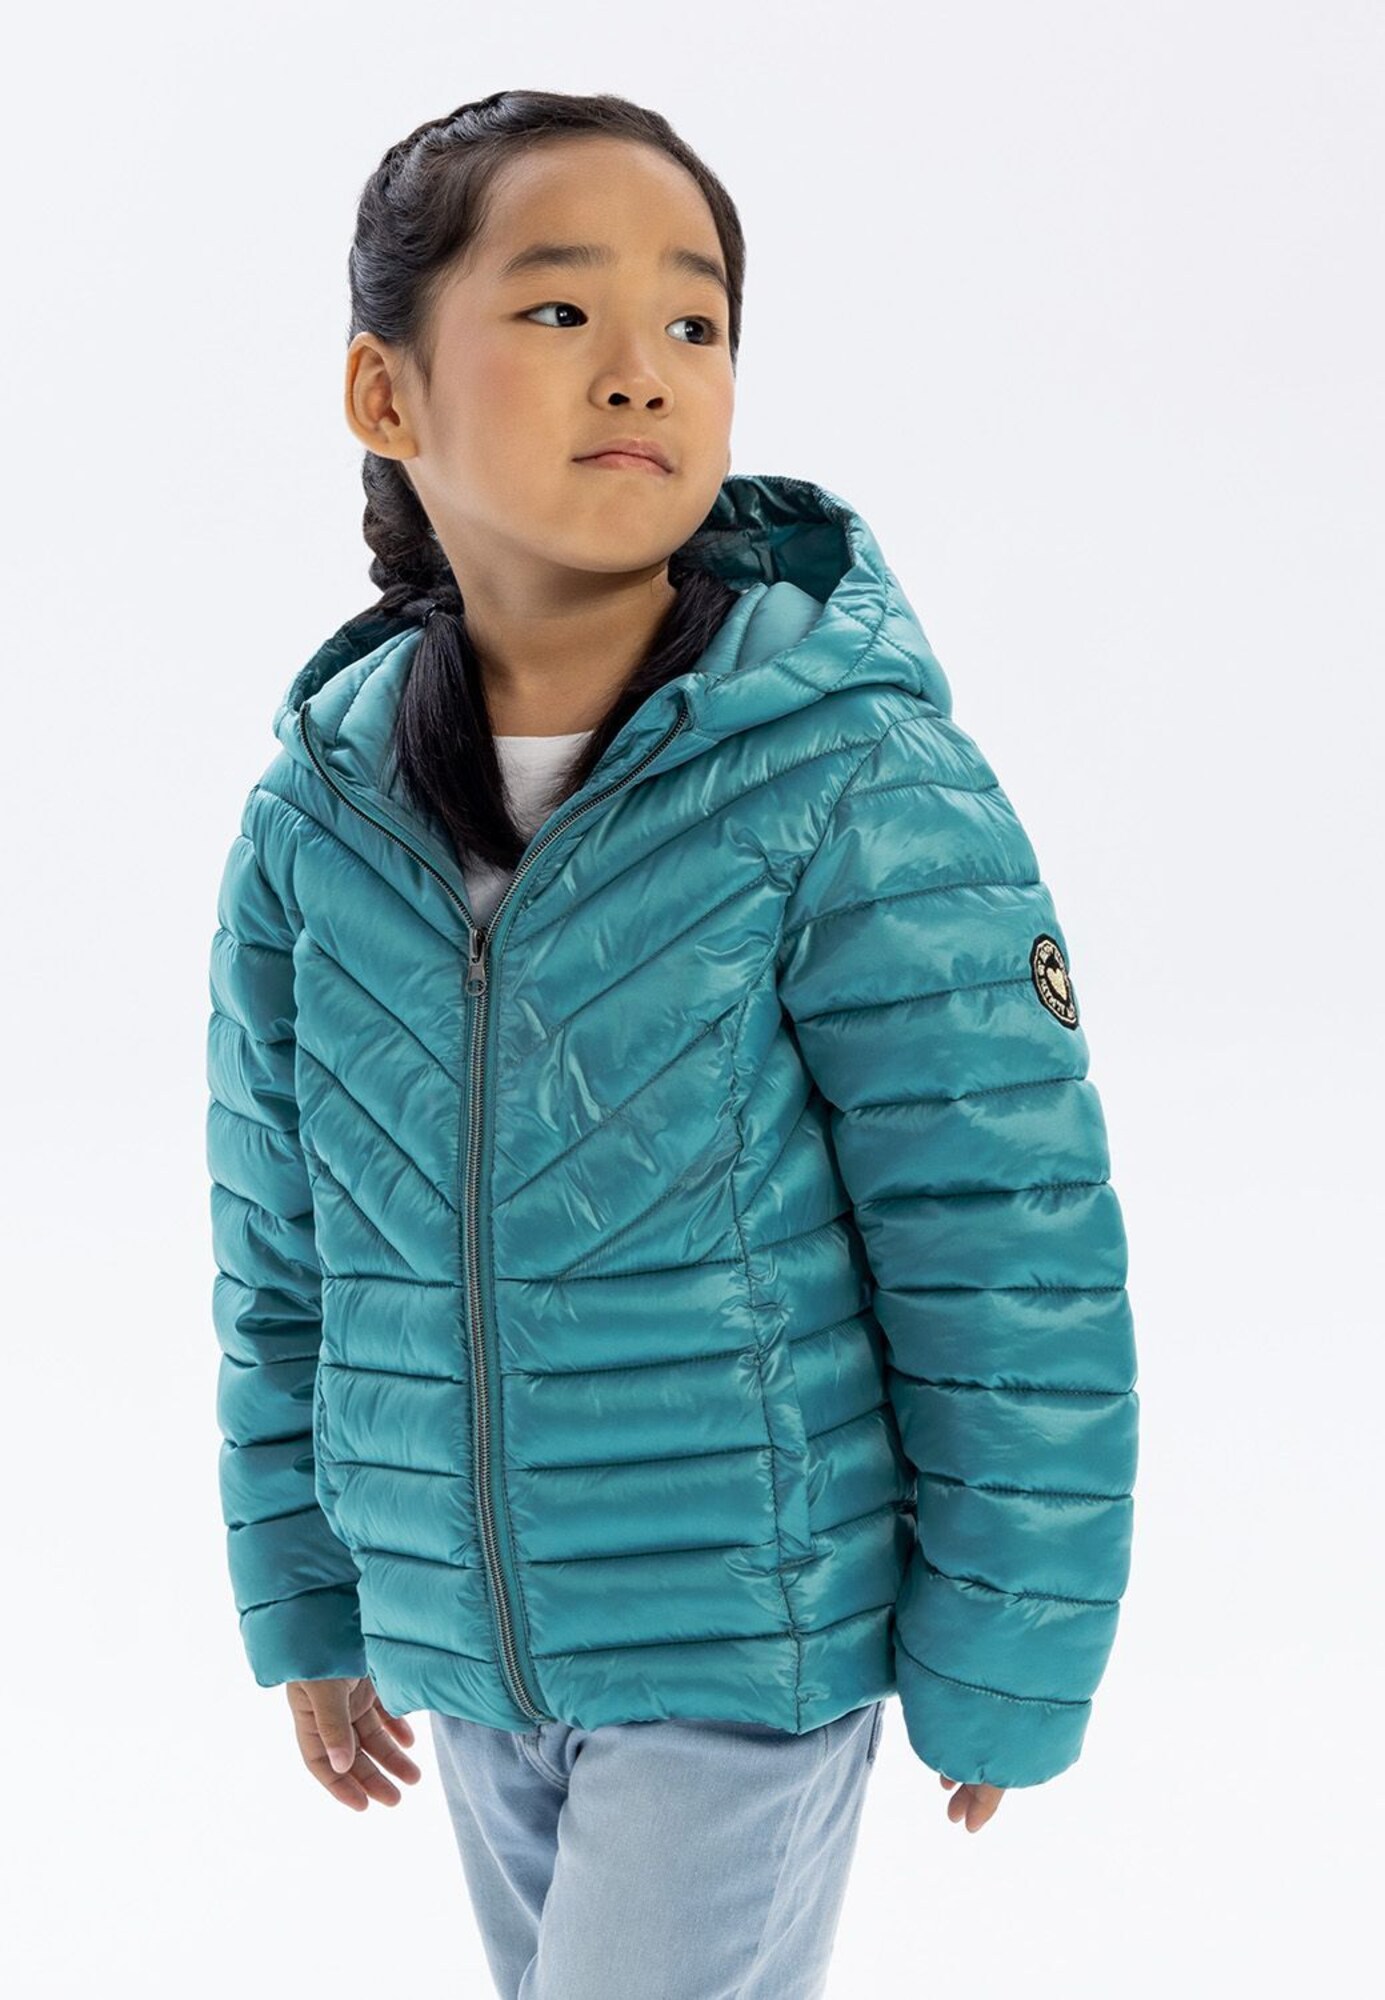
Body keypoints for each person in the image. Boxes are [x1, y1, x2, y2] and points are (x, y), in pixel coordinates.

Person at [205, 87, 1139, 1999]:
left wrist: (1009, 1651)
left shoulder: (849, 781)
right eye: (559, 309)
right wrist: (310, 1594)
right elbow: (280, 1259)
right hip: (470, 1650)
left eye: (694, 320)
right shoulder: (317, 821)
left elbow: (1004, 1248)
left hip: (745, 1638)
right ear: (385, 393)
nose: (641, 366)